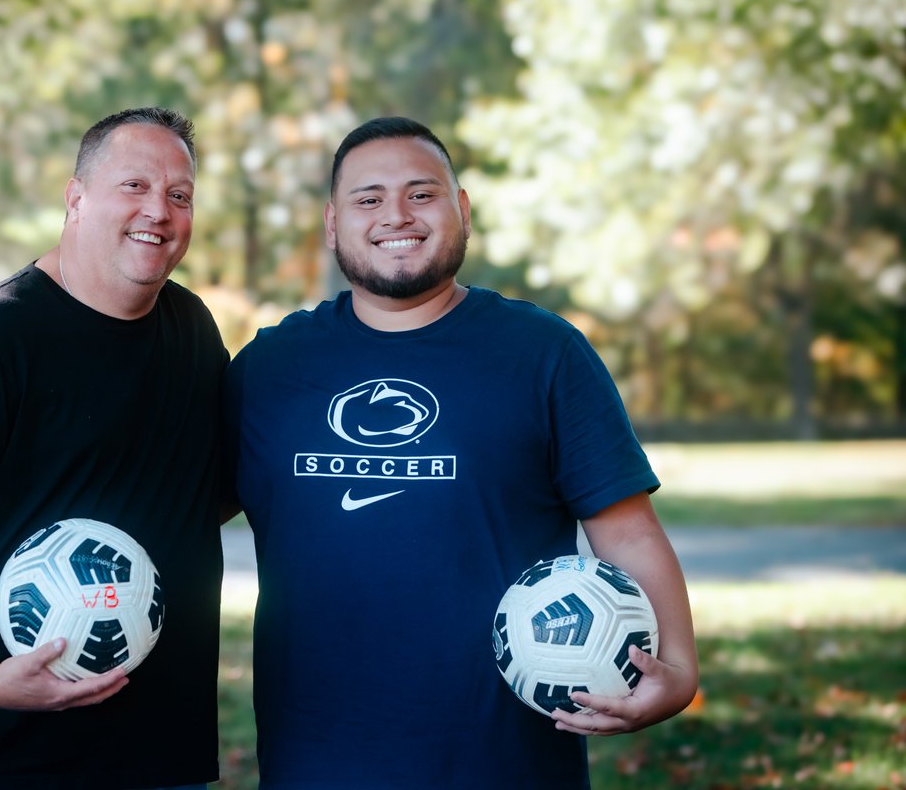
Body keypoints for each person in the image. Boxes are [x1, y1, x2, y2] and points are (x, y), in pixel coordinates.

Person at [223, 117, 699, 788]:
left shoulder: (543, 353)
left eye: (421, 194)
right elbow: (179, 511)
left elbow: (628, 534)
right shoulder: (270, 367)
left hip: (505, 761)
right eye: (368, 198)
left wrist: (679, 670)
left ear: (462, 210)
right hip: (317, 757)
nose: (396, 214)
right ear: (332, 224)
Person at [0, 107, 229, 790]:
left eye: (179, 195)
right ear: (76, 198)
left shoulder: (190, 327)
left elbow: (208, 493)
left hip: (160, 749)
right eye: (134, 186)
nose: (158, 211)